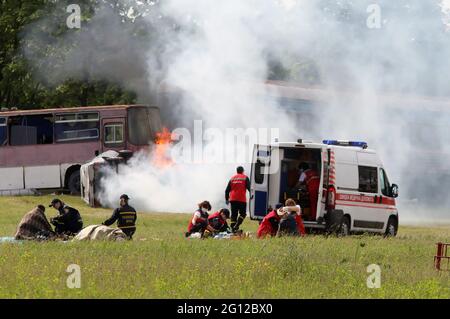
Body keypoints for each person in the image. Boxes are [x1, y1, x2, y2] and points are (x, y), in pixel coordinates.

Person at [225, 166, 251, 232]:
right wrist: (252, 195)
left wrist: (227, 199)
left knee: (234, 215)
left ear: (237, 171)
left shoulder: (232, 178)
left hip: (233, 199)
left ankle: (233, 229)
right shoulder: (245, 177)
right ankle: (236, 226)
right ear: (242, 171)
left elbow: (227, 190)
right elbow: (249, 188)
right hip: (241, 199)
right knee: (243, 214)